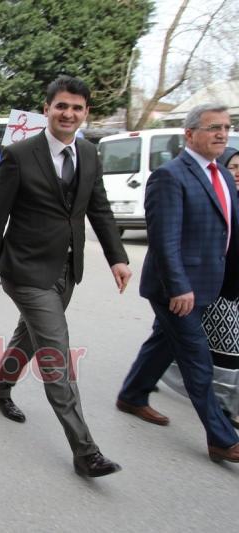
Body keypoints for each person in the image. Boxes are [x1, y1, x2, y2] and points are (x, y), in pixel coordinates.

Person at [0, 76, 131, 477]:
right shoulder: (19, 154)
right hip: (25, 270)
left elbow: (99, 210)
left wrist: (118, 257)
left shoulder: (90, 154)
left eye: (77, 108)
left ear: (85, 113)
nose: (69, 114)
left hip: (67, 269)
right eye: (61, 106)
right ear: (46, 109)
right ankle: (85, 451)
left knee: (29, 336)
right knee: (56, 352)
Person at [117, 104, 239, 463]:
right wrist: (179, 287)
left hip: (210, 283)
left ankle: (133, 394)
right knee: (196, 358)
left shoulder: (223, 176)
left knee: (163, 343)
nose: (221, 134)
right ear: (189, 134)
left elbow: (226, 231)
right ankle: (221, 437)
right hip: (176, 288)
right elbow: (164, 239)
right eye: (213, 127)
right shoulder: (170, 176)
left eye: (226, 127)